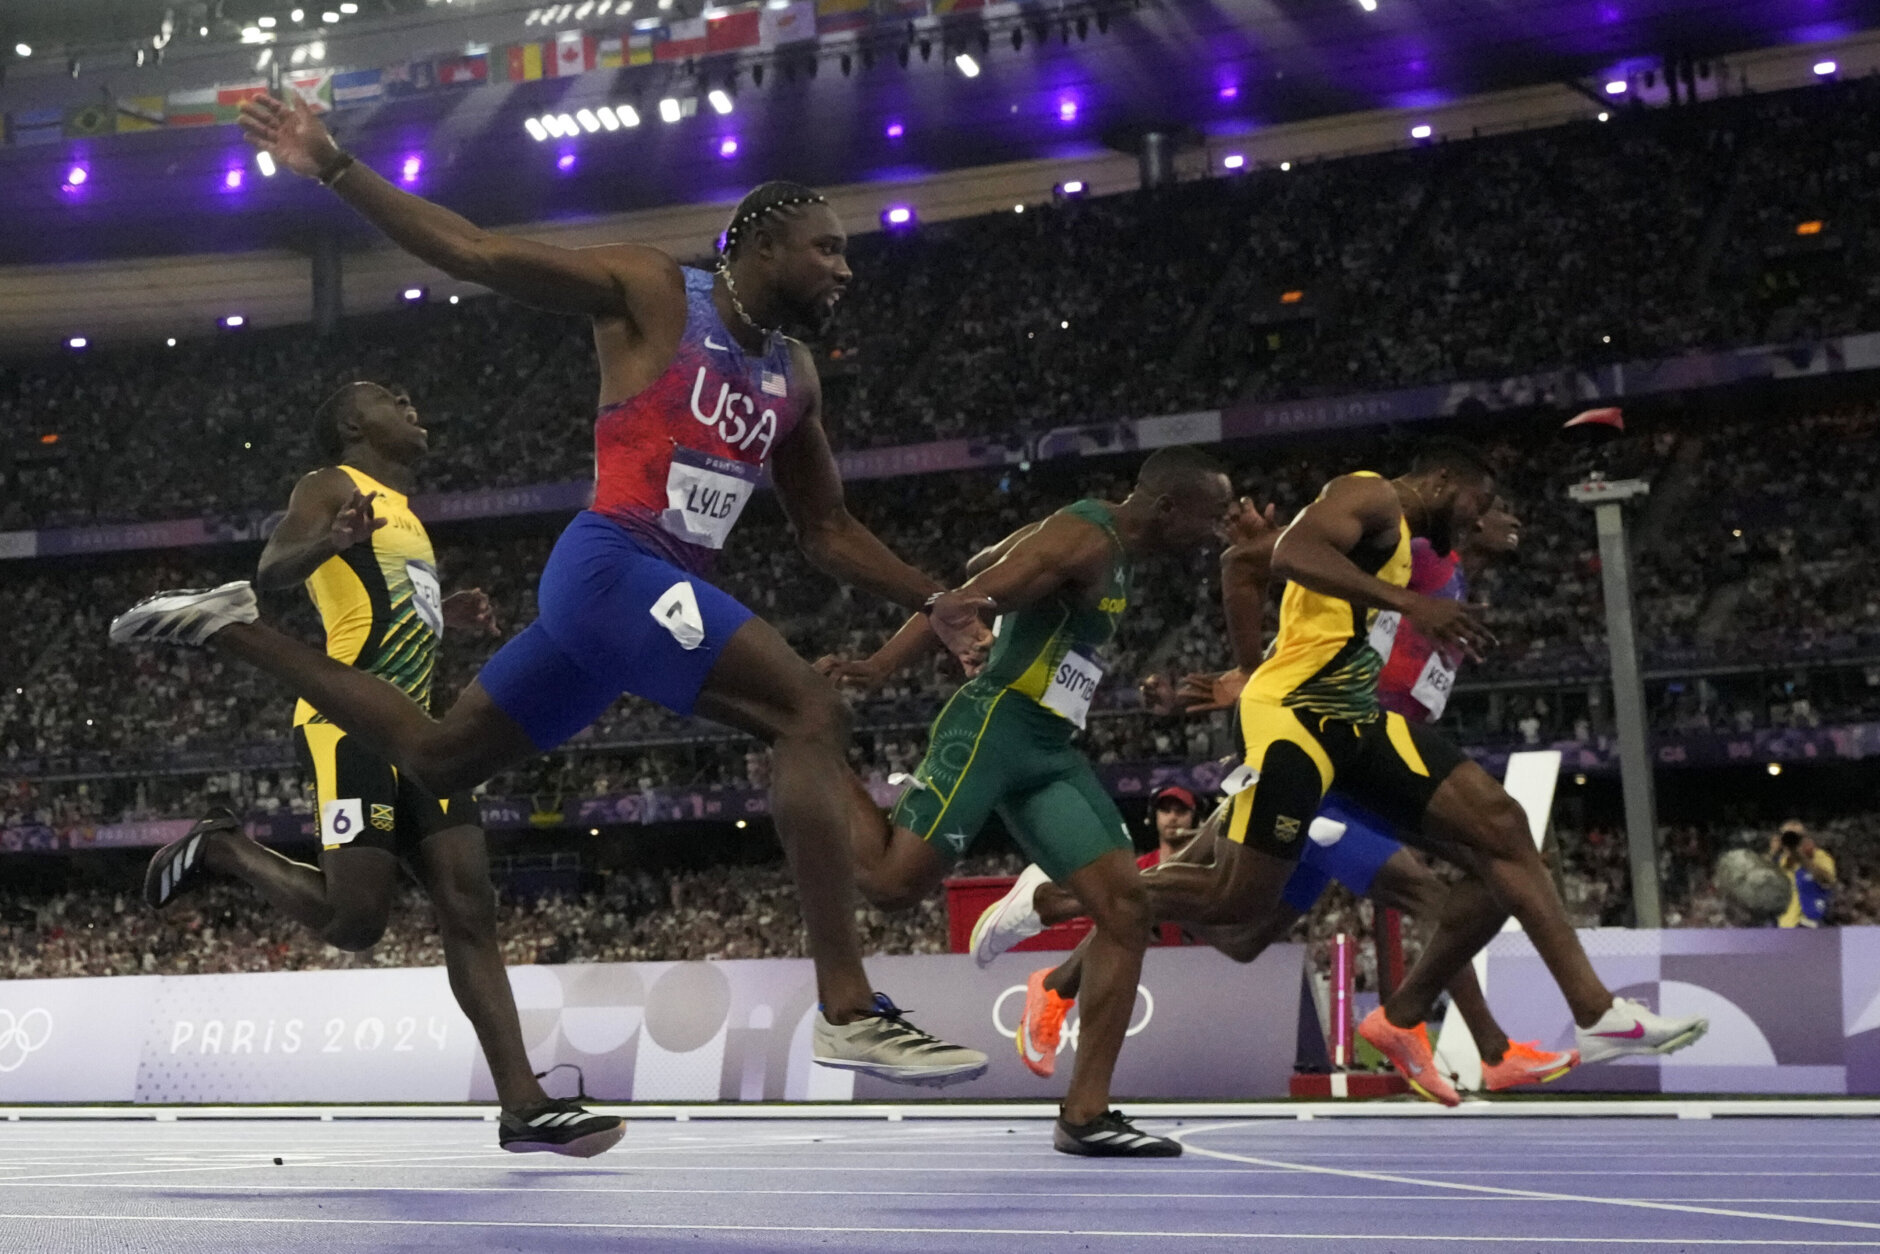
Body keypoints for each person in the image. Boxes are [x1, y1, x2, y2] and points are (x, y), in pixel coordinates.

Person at [110, 93, 984, 1085]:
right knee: (806, 712)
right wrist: (337, 167)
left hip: (633, 602)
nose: (844, 267)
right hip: (613, 564)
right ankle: (845, 1005)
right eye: (823, 248)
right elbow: (476, 253)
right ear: (762, 241)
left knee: (438, 755)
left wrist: (930, 595)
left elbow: (823, 528)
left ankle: (233, 629)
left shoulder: (796, 377)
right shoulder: (654, 292)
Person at [969, 439, 1706, 1107]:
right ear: (1447, 480)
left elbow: (1269, 567)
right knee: (1234, 906)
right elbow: (1276, 559)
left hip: (1357, 724)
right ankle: (1058, 897)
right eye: (1483, 502)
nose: (1489, 515)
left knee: (1505, 835)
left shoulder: (1419, 544)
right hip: (1296, 719)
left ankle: (1594, 1013)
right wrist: (1258, 670)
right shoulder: (1369, 495)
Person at [140, 383, 623, 1154]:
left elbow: (386, 610)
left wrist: (444, 615)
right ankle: (227, 846)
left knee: (470, 904)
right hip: (349, 727)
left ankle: (523, 1106)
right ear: (351, 424)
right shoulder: (328, 486)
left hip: (423, 728)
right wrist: (323, 541)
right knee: (357, 921)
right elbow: (273, 570)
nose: (410, 403)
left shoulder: (406, 515)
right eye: (388, 398)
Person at [819, 447, 1238, 1156]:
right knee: (893, 884)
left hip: (1047, 748)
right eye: (1211, 517)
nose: (1217, 531)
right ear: (1168, 508)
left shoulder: (1112, 544)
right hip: (993, 726)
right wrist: (881, 665)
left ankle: (1085, 1114)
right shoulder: (1086, 537)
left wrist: (1013, 563)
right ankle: (810, 751)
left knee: (1126, 908)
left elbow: (992, 557)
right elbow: (969, 597)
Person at [1770, 820, 1836, 928]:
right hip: (1786, 925)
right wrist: (1772, 852)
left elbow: (1827, 879)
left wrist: (1802, 857)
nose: (1791, 840)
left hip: (1812, 923)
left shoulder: (1818, 856)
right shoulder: (1779, 861)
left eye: (1796, 837)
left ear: (1804, 838)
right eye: (1787, 836)